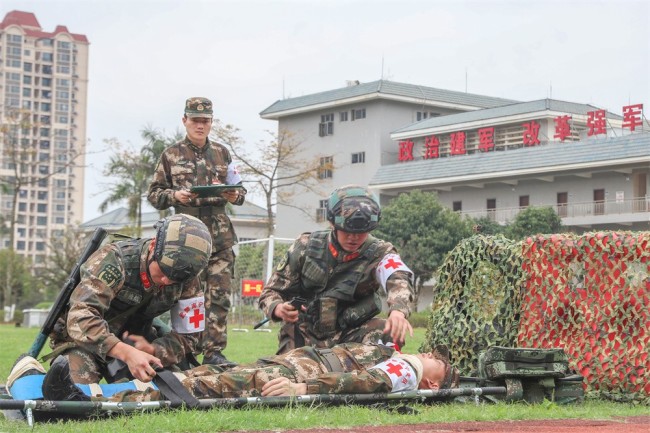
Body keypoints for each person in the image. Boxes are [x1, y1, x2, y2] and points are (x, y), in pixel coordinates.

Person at [46, 214, 212, 384]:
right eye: (163, 271)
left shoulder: (186, 277)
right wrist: (124, 352)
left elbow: (190, 335)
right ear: (154, 246)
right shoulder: (114, 261)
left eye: (175, 279)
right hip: (85, 343)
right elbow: (80, 317)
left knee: (174, 387)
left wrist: (154, 349)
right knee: (70, 391)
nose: (166, 281)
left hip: (138, 343)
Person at [259, 185, 415, 354]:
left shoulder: (381, 253)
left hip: (351, 332)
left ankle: (372, 377)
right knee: (287, 374)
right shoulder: (305, 246)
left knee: (387, 333)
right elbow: (270, 292)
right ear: (332, 223)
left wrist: (398, 311)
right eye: (346, 231)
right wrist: (278, 308)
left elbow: (398, 279)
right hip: (305, 332)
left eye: (361, 232)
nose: (353, 237)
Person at [147, 97, 246, 366]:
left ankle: (214, 353)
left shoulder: (223, 153)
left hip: (220, 237)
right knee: (188, 298)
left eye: (205, 121)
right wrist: (175, 195)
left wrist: (231, 193)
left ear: (211, 122)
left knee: (220, 297)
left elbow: (240, 194)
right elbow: (154, 195)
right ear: (185, 121)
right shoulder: (170, 155)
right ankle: (185, 352)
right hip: (186, 240)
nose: (200, 125)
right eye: (195, 120)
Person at [40, 342, 460, 402]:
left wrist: (302, 387)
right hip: (286, 365)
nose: (430, 354)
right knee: (196, 376)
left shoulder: (412, 370)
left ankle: (86, 402)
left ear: (435, 382)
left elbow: (368, 381)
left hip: (289, 373)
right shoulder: (393, 353)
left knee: (197, 386)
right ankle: (92, 394)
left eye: (438, 361)